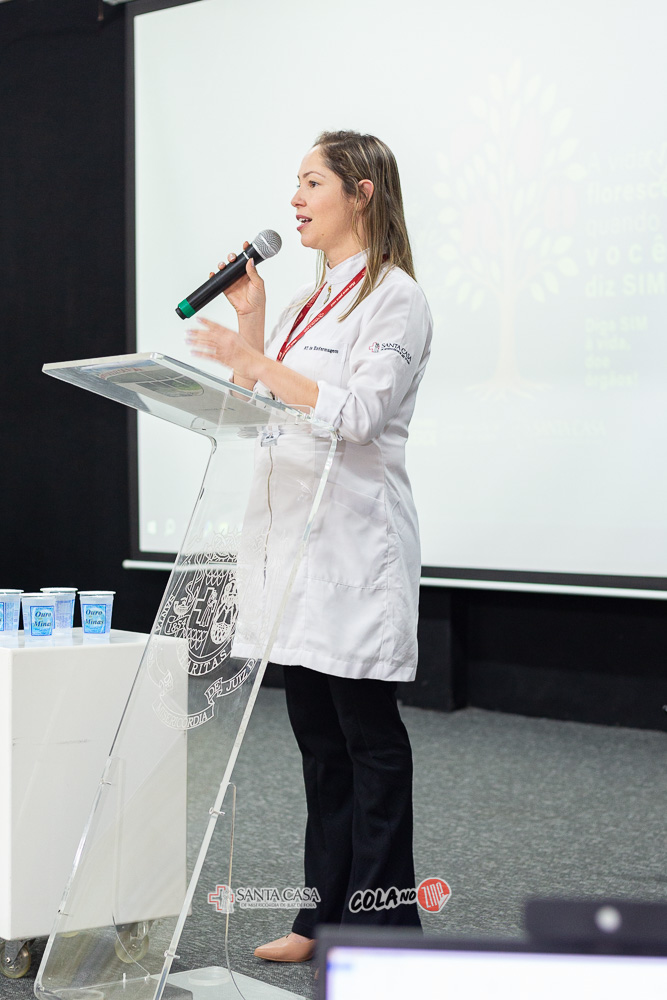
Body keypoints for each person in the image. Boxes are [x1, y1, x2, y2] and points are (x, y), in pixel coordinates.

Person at [186, 130, 432, 962]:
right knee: (320, 748)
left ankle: (386, 931)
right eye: (295, 183)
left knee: (368, 745)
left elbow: (357, 414)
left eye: (312, 182)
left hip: (354, 555)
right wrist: (251, 321)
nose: (294, 199)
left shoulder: (394, 299)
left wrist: (253, 359)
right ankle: (318, 922)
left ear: (362, 193)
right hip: (292, 557)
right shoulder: (302, 302)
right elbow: (251, 403)